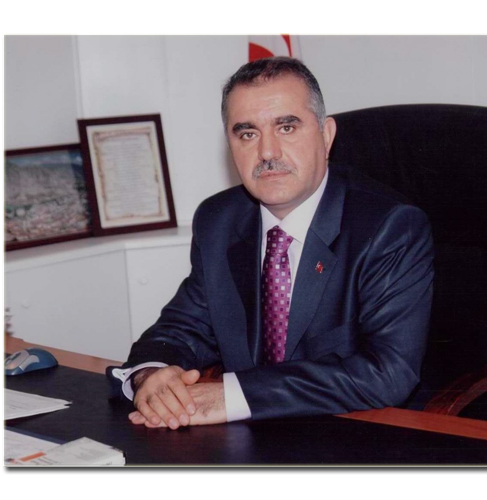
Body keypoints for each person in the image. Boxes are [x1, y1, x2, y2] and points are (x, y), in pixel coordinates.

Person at [110, 57, 434, 429]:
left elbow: (387, 372)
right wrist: (151, 376)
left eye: (286, 127)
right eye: (247, 134)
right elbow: (182, 328)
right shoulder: (219, 220)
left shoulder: (388, 227)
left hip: (354, 434)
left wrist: (232, 396)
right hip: (247, 439)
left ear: (326, 136)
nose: (267, 152)